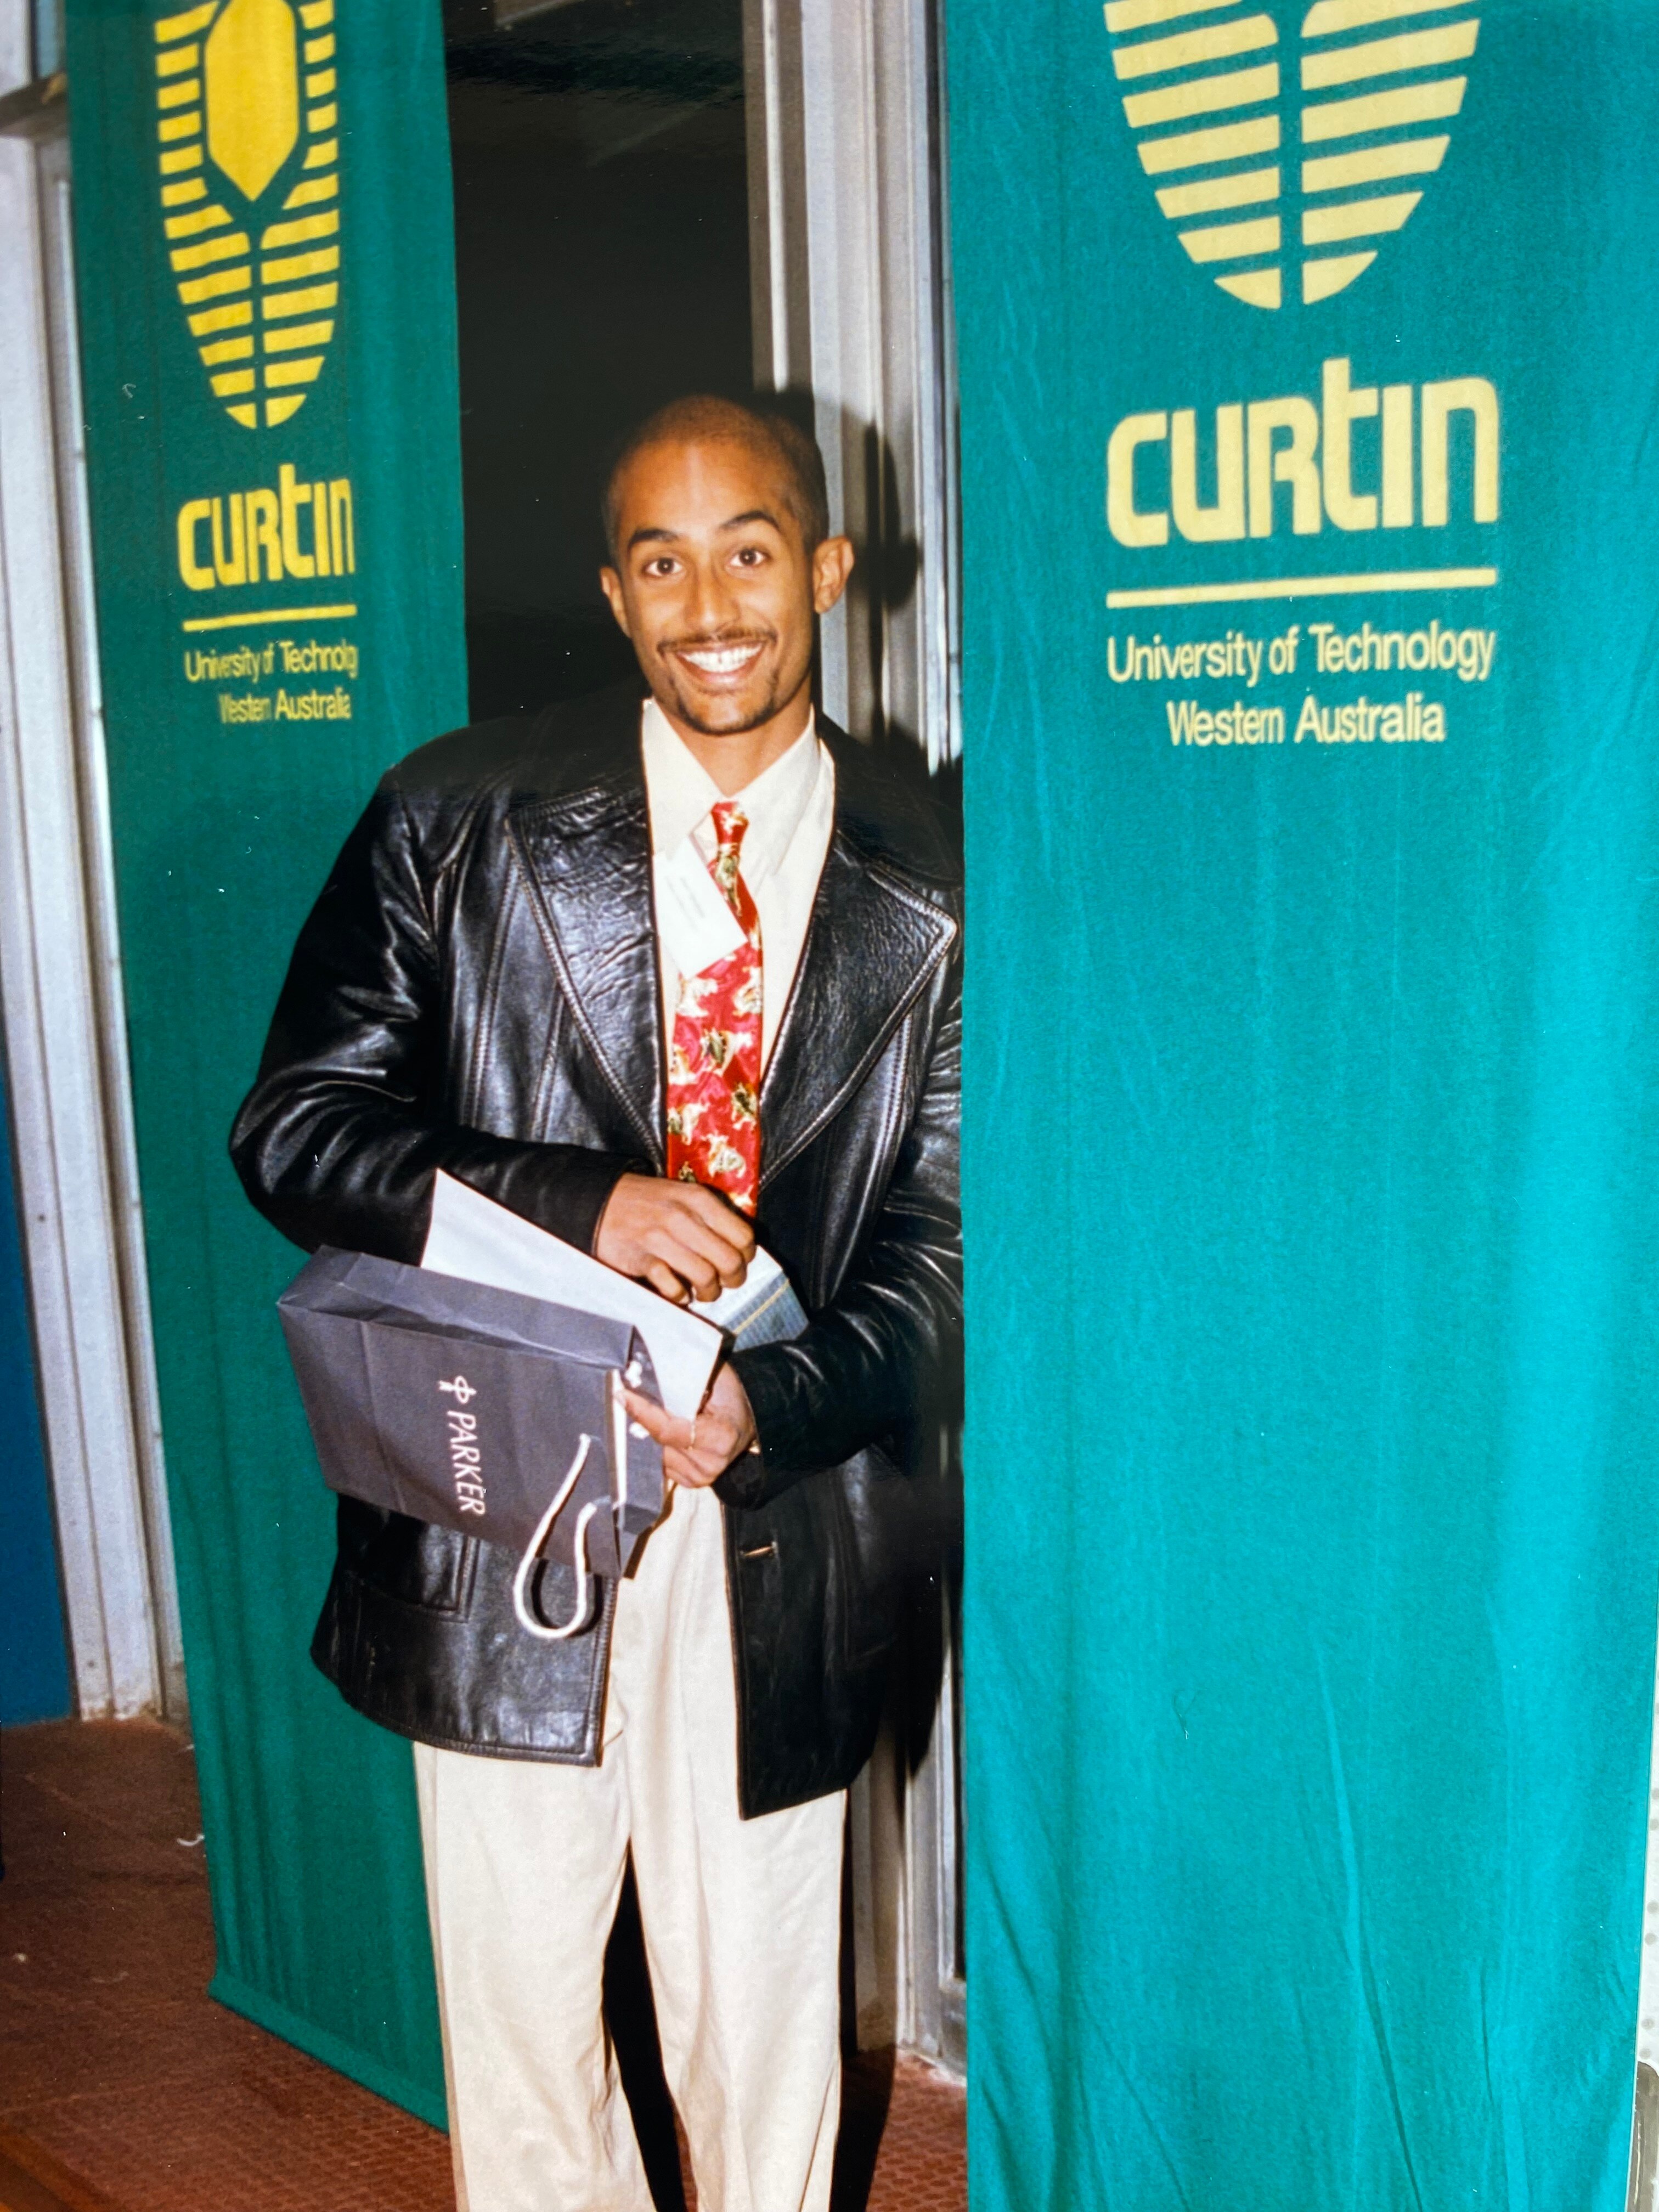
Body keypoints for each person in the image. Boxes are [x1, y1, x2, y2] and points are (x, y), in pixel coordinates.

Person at [230, 394, 961, 2212]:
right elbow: (294, 1129)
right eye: (662, 560)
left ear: (829, 567)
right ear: (617, 594)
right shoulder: (454, 814)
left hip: (781, 1518)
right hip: (503, 1509)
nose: (711, 603)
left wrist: (771, 1410)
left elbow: (959, 1250)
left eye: (750, 550)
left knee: (771, 2015)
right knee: (524, 2018)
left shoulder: (947, 881)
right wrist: (577, 1204)